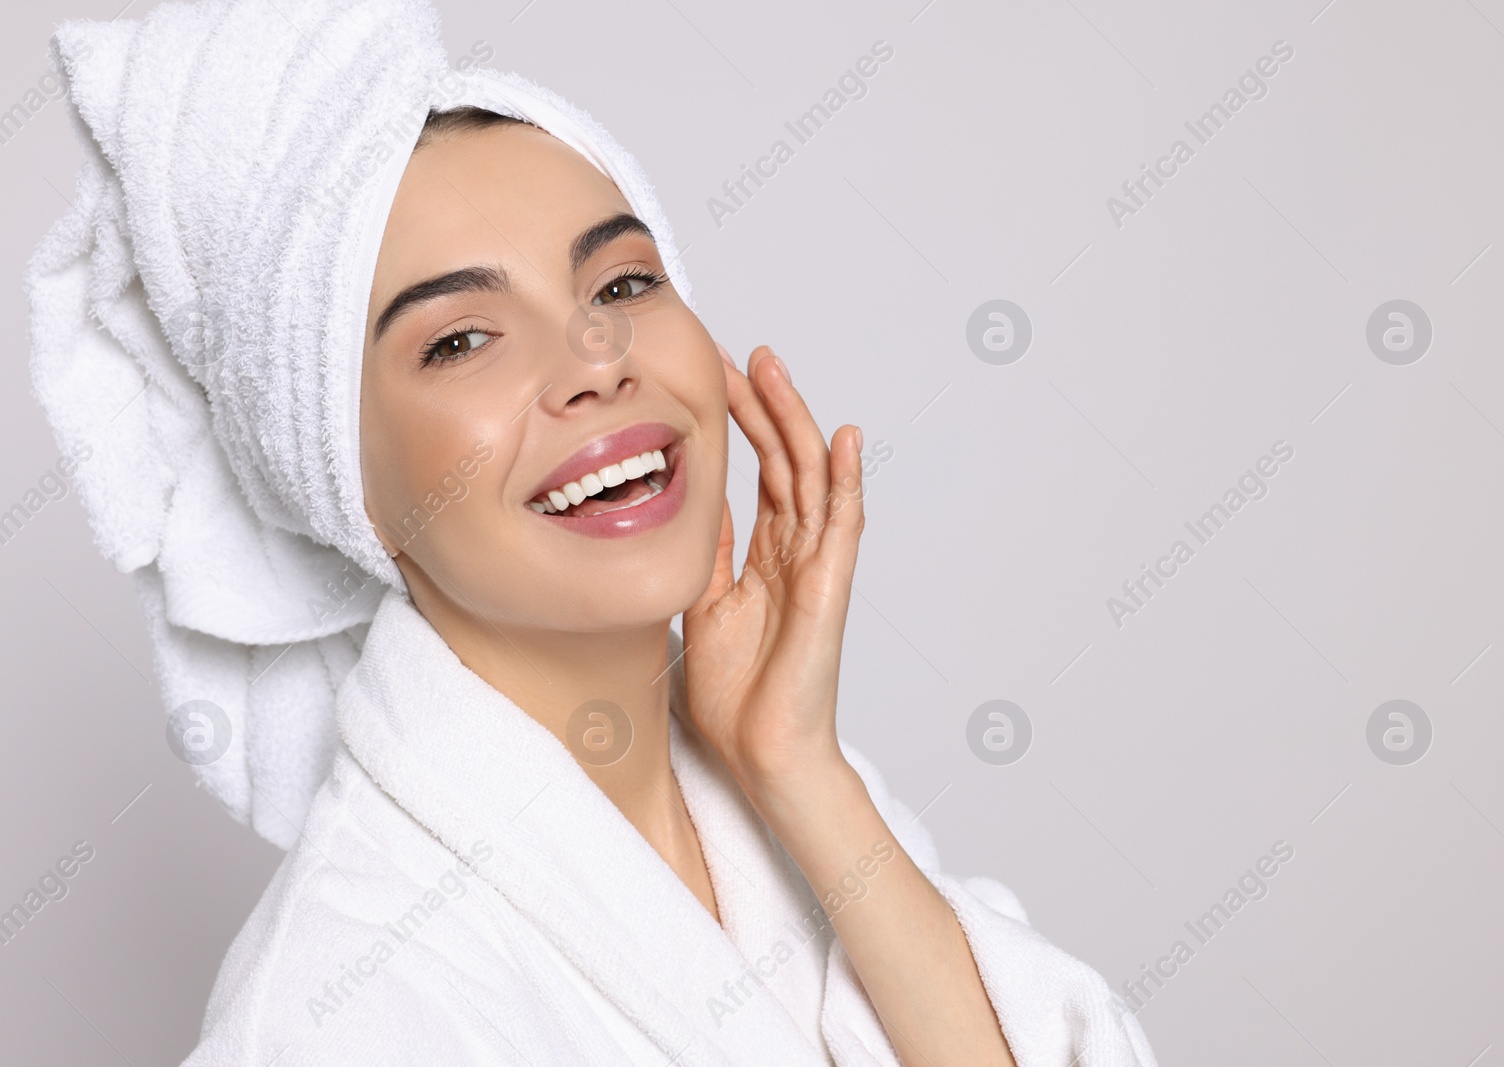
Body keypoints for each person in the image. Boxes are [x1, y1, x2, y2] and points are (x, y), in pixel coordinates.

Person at [27, 2, 1158, 1064]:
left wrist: (798, 769)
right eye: (461, 340)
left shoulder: (777, 800)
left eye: (620, 281)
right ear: (338, 483)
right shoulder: (341, 1005)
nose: (593, 359)